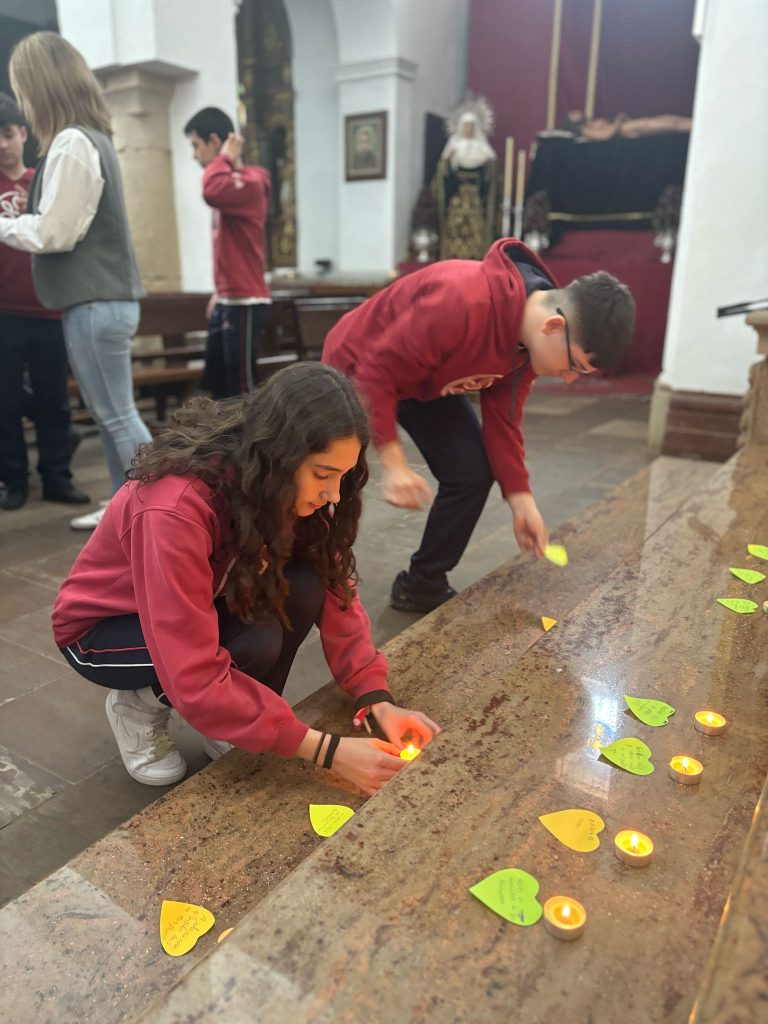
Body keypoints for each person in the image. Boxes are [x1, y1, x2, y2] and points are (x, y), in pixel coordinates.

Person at [51, 363, 440, 792]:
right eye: (324, 475)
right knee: (249, 643)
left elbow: (334, 588)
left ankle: (234, 715)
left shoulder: (272, 480)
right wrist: (325, 749)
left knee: (305, 584)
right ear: (281, 454)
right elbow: (191, 668)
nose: (333, 493)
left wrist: (374, 696)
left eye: (342, 476)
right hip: (104, 630)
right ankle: (137, 707)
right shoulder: (174, 507)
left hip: (194, 604)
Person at [323, 237, 635, 614]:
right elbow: (377, 373)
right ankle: (312, 573)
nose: (568, 379)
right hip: (358, 366)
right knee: (333, 479)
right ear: (554, 326)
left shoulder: (528, 346)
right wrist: (394, 465)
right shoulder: (462, 301)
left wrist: (522, 503)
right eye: (575, 366)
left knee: (472, 470)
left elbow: (504, 422)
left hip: (426, 384)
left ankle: (422, 584)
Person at [0, 32, 151, 531]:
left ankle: (157, 512)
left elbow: (55, 233)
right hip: (100, 300)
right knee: (112, 416)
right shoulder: (90, 138)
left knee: (118, 415)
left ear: (40, 87)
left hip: (95, 301)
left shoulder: (71, 141)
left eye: (23, 86)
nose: (22, 98)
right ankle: (124, 505)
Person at [0, 92, 89, 511]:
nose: (2, 144)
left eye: (8, 133)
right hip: (4, 313)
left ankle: (57, 477)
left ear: (22, 133)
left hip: (49, 309)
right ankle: (13, 480)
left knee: (54, 399)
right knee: (6, 401)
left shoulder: (44, 180)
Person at [184, 106, 271, 398]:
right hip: (229, 297)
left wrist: (224, 158)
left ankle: (252, 445)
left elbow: (212, 190)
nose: (194, 155)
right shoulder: (231, 183)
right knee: (218, 387)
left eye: (196, 145)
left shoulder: (252, 181)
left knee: (242, 391)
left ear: (214, 141)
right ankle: (224, 444)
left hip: (245, 300)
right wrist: (219, 291)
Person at [435, 101, 497, 260]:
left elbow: (490, 173)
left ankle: (477, 255)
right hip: (458, 199)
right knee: (455, 226)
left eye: (471, 126)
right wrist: (447, 160)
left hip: (476, 199)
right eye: (466, 126)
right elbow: (444, 173)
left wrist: (489, 164)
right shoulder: (454, 146)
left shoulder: (482, 147)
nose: (468, 129)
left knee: (476, 227)